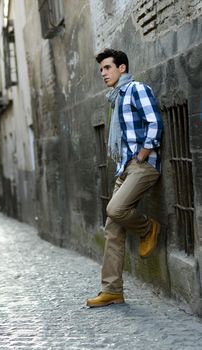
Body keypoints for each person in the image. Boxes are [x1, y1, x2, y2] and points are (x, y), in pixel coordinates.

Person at [87, 49, 163, 308]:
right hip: (125, 168)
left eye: (107, 68)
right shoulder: (116, 97)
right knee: (113, 229)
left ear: (122, 68)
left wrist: (143, 154)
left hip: (143, 166)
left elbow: (154, 122)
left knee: (115, 209)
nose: (103, 73)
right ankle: (112, 290)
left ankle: (148, 228)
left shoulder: (137, 89)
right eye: (101, 70)